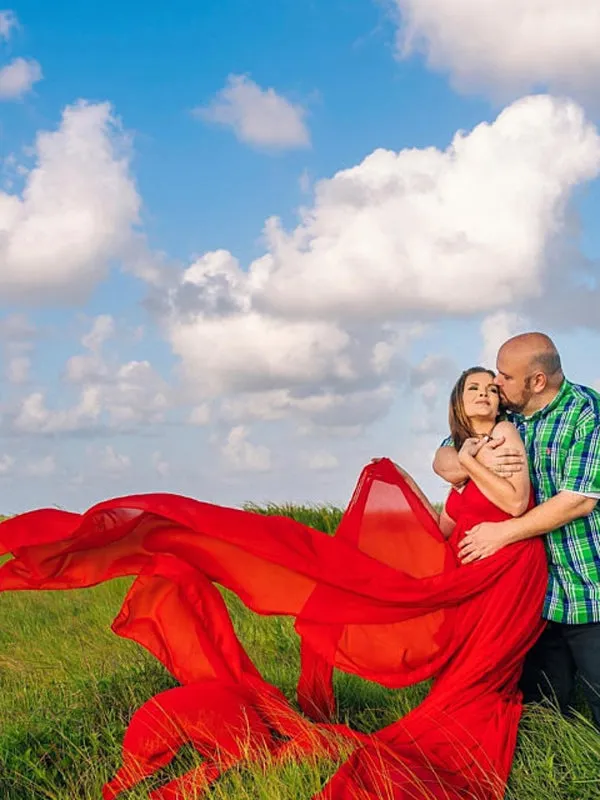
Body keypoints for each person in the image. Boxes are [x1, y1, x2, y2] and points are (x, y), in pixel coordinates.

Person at [0, 366, 548, 800]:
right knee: (460, 667)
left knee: (481, 676)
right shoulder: (458, 449)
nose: (483, 394)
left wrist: (470, 461)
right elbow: (453, 521)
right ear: (457, 401)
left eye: (489, 388)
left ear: (502, 401)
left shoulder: (501, 437)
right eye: (471, 388)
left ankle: (469, 743)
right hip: (474, 570)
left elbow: (516, 504)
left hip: (510, 567)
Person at [433, 332, 600, 730]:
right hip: (533, 593)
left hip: (586, 585)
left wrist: (504, 533)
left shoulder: (586, 414)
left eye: (504, 378)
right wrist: (468, 457)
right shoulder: (507, 417)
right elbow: (446, 454)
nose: (497, 384)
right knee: (542, 707)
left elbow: (579, 499)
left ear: (537, 381)